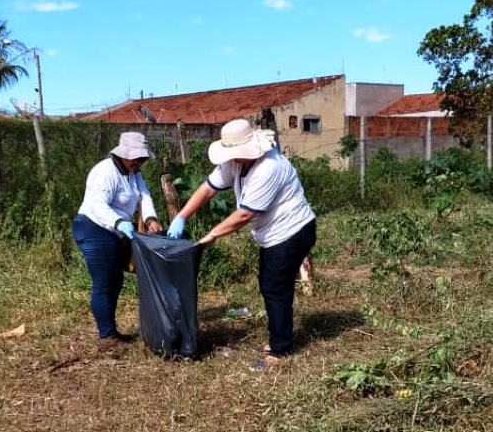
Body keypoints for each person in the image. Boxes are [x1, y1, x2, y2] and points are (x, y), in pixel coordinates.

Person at [167, 119, 316, 367]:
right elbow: (207, 189)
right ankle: (280, 338)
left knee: (275, 288)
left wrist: (212, 235)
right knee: (270, 285)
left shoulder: (269, 167)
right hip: (273, 235)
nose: (234, 158)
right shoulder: (236, 163)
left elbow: (245, 214)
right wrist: (182, 216)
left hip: (292, 232)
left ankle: (280, 351)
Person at [72, 132, 162, 350]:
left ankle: (111, 331)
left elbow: (144, 196)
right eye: (136, 159)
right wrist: (119, 221)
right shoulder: (105, 172)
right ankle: (106, 336)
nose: (138, 163)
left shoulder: (134, 173)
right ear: (123, 155)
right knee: (105, 282)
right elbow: (97, 205)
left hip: (116, 231)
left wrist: (150, 218)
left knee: (116, 280)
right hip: (94, 228)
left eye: (142, 160)